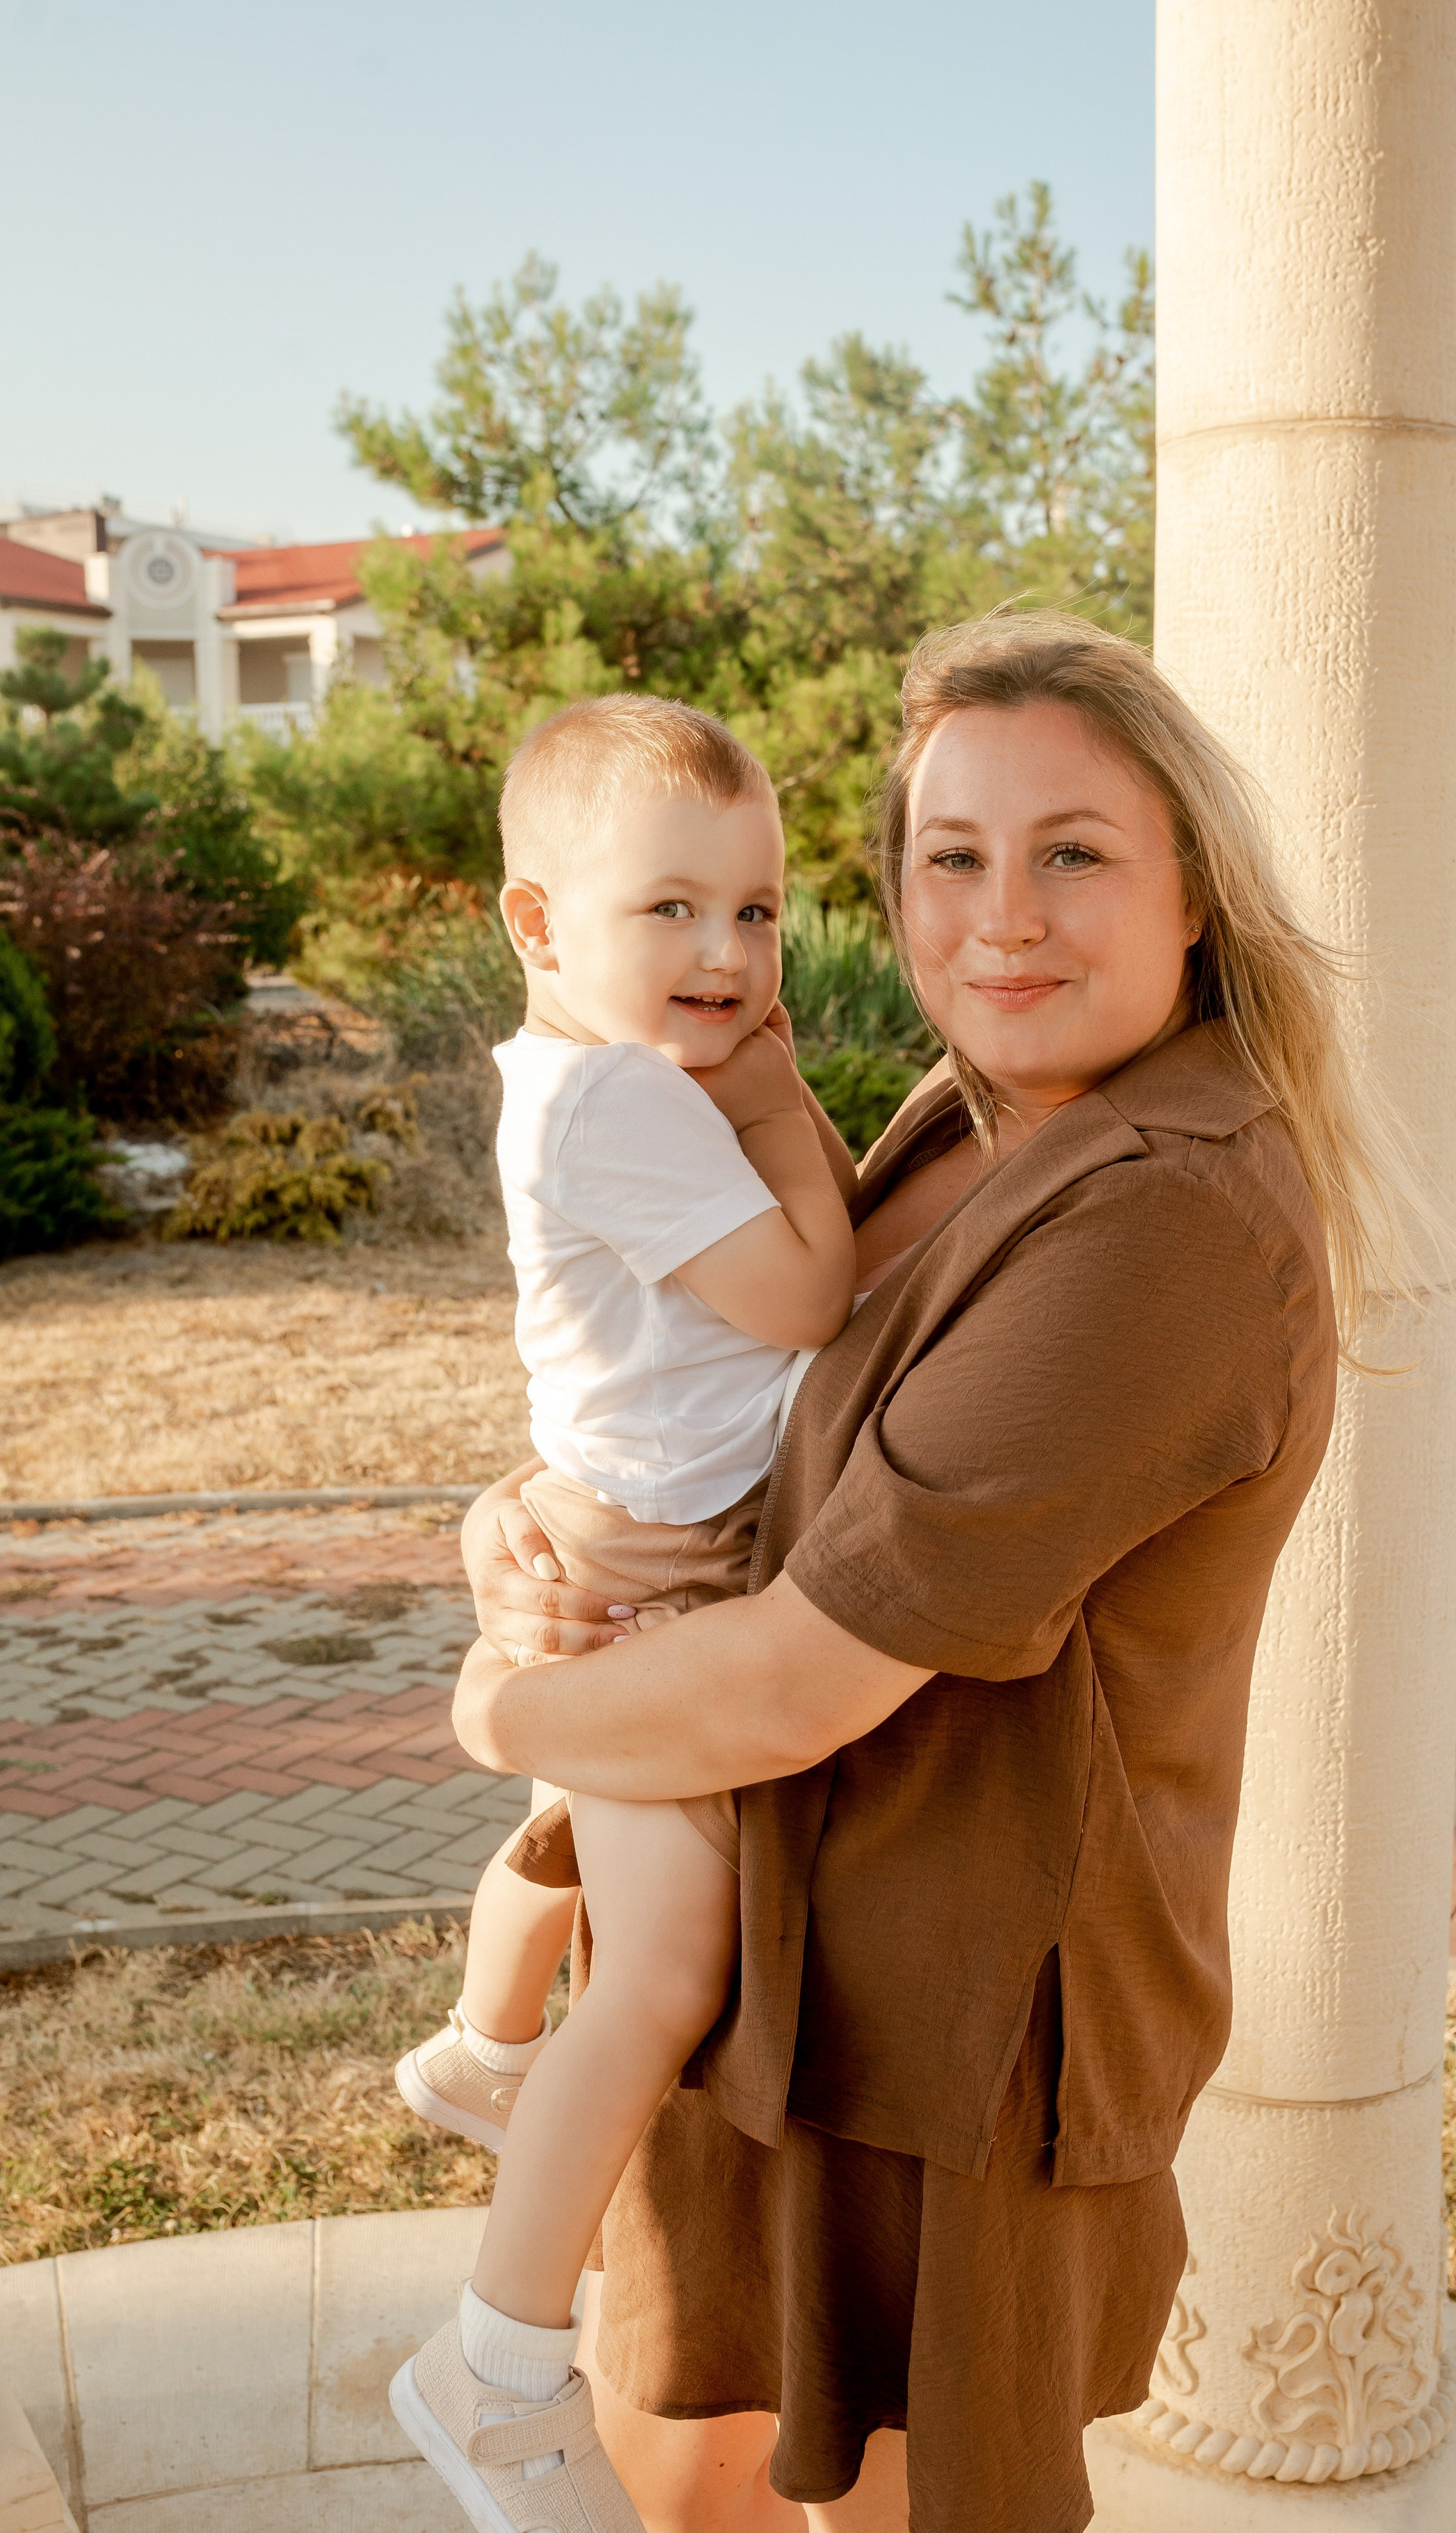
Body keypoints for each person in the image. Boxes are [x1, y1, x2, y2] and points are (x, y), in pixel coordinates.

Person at [441, 612, 1419, 2533]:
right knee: (690, 2459)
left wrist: (501, 1704)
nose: (1004, 918)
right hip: (786, 1944)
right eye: (949, 857)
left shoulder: (1166, 1210)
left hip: (950, 2027)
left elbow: (812, 1666)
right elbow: (758, 1413)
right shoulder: (976, 1120)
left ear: (1195, 889)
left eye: (1074, 852)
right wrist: (539, 1508)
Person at [390, 695, 858, 2533]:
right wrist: (775, 1096)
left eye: (757, 913)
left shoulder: (575, 1085)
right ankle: (496, 2368)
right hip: (654, 1592)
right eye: (671, 909)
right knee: (667, 1976)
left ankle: (489, 2049)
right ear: (537, 925)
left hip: (626, 1547)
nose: (730, 956)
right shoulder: (630, 1104)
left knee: (578, 1847)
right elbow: (814, 1292)